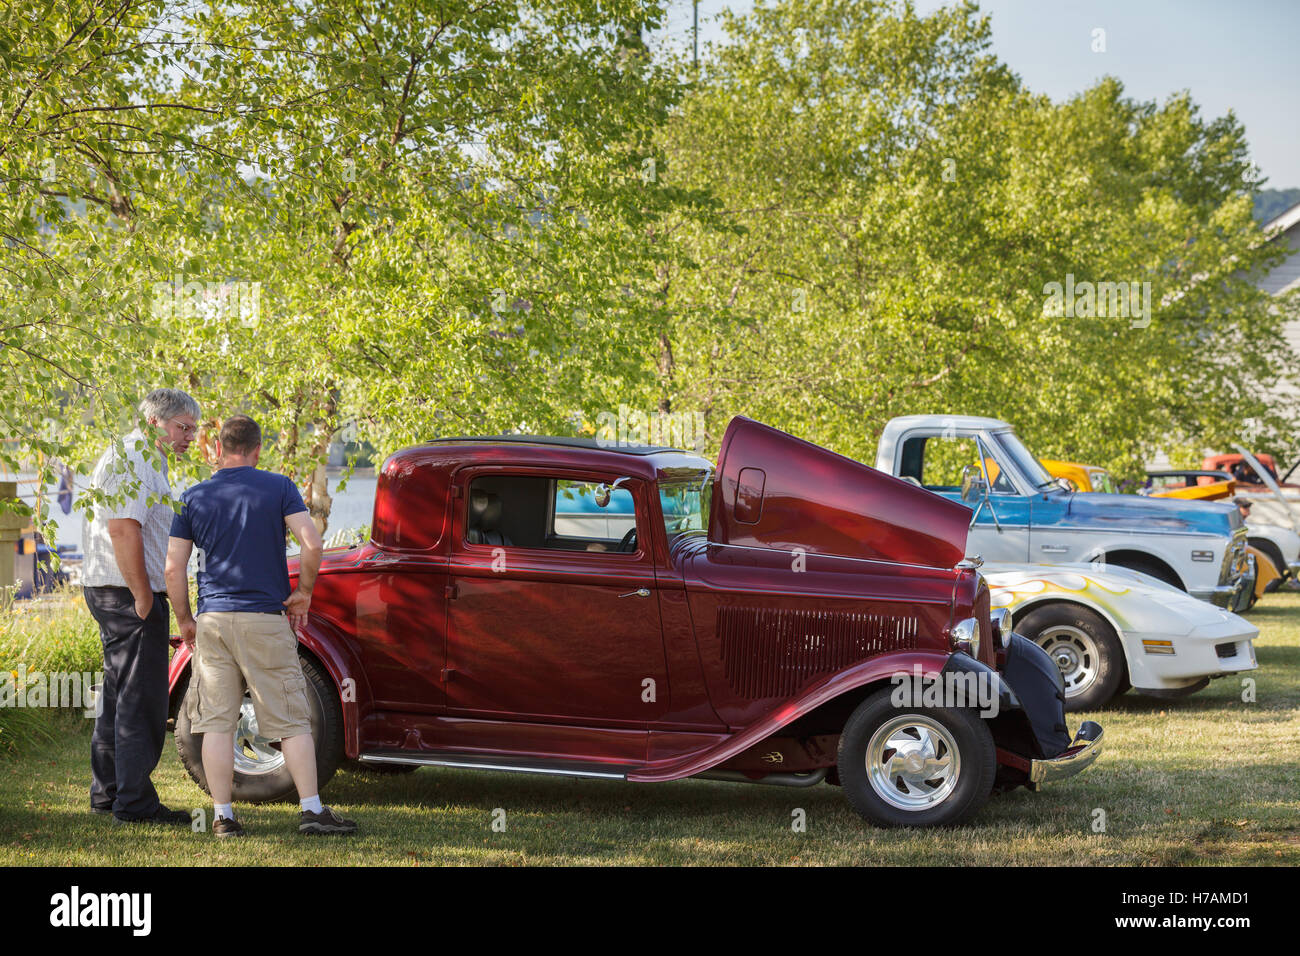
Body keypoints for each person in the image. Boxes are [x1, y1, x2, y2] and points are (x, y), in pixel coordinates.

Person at [163, 414, 357, 837]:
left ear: (217, 449)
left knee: (216, 721)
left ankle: (223, 817)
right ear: (256, 450)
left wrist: (185, 620)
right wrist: (303, 593)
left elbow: (173, 567)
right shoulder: (279, 487)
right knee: (291, 718)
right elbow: (312, 542)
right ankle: (311, 812)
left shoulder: (192, 496)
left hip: (213, 621)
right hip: (264, 619)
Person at [82, 387, 201, 825]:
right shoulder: (136, 457)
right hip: (126, 591)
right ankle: (134, 804)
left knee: (118, 693)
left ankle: (109, 793)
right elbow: (122, 529)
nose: (189, 436)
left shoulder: (138, 455)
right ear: (155, 422)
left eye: (192, 428)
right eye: (181, 427)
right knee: (141, 698)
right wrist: (144, 595)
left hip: (113, 588)